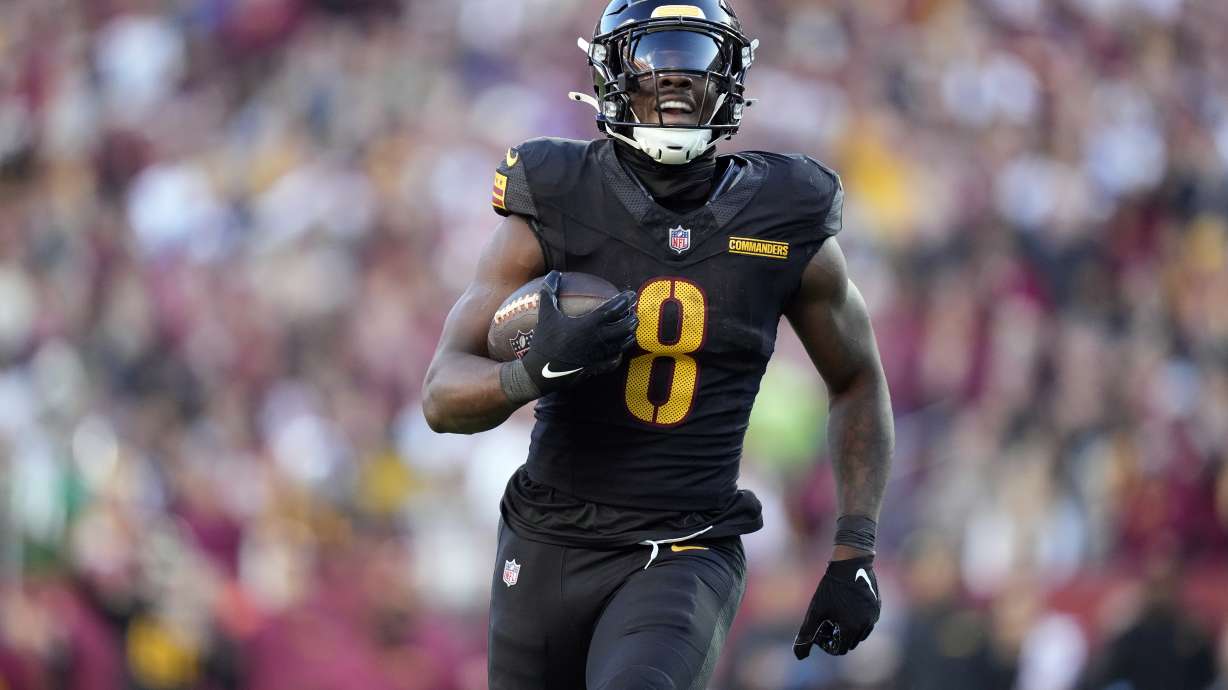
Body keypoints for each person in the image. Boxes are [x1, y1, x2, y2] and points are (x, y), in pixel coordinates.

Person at [421, 0, 893, 687]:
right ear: (609, 77)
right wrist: (532, 374)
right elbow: (441, 394)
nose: (673, 82)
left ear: (730, 81)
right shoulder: (555, 194)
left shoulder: (785, 214)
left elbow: (857, 378)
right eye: (653, 64)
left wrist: (856, 549)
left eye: (694, 63)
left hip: (683, 545)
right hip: (548, 537)